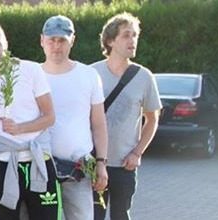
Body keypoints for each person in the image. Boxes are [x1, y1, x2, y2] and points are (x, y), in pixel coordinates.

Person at [0, 23, 59, 220]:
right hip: (2, 163)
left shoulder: (31, 70)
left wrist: (20, 128)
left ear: (6, 44)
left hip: (38, 160)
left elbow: (50, 116)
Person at [91, 12, 161, 220]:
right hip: (93, 164)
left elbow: (152, 119)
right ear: (110, 40)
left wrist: (137, 153)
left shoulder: (144, 77)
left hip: (124, 165)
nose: (132, 40)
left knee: (121, 216)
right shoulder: (91, 73)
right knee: (93, 216)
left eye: (135, 35)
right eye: (126, 35)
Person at [39, 15, 109, 220]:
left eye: (62, 40)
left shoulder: (88, 75)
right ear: (42, 40)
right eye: (51, 40)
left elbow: (99, 124)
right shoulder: (31, 75)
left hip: (79, 169)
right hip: (41, 168)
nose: (56, 46)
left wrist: (101, 163)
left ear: (72, 40)